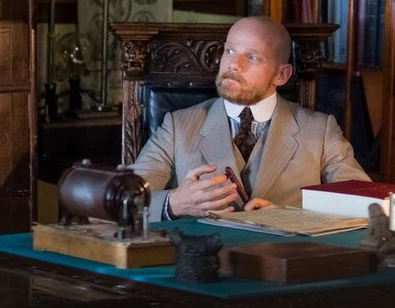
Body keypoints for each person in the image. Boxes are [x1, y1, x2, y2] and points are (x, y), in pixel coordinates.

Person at [131, 16, 370, 220]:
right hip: (202, 256)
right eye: (229, 51)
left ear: (281, 74)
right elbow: (122, 198)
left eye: (252, 57)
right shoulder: (177, 126)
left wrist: (292, 219)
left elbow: (365, 206)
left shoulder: (320, 130)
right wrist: (173, 203)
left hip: (284, 258)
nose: (234, 64)